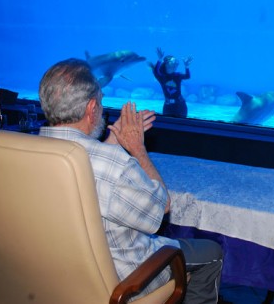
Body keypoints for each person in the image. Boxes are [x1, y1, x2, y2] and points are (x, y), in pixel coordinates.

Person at [38, 58, 223, 304]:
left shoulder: (25, 150)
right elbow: (162, 208)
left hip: (49, 273)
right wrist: (137, 150)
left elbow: (86, 165)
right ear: (92, 108)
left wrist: (110, 143)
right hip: (122, 281)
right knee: (211, 253)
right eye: (102, 103)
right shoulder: (114, 165)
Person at [150, 47, 192, 118]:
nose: (175, 66)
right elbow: (155, 72)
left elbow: (187, 76)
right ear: (166, 65)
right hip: (168, 107)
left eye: (176, 64)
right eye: (172, 64)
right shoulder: (162, 77)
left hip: (180, 105)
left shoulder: (177, 75)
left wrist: (186, 66)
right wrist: (160, 59)